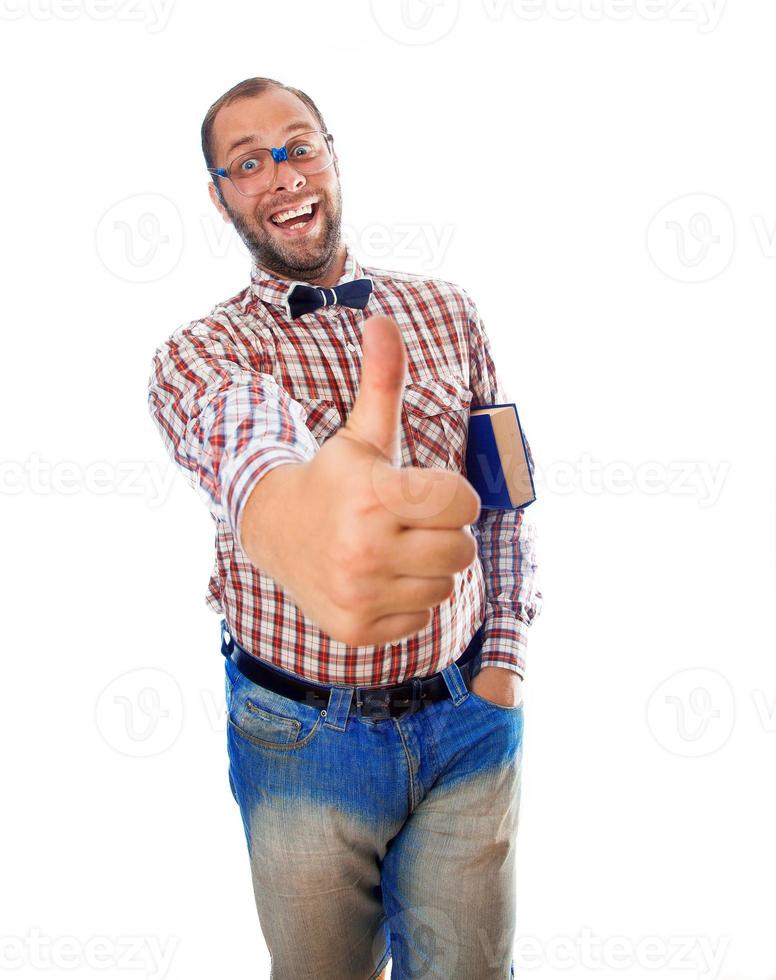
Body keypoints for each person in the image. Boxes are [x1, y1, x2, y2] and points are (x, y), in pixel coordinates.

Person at [147, 75, 543, 980]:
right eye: (248, 163)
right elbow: (241, 438)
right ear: (221, 196)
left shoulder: (449, 312)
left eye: (297, 146)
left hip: (468, 730)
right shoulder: (201, 354)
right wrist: (290, 514)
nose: (280, 174)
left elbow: (507, 503)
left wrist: (504, 664)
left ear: (331, 157)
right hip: (298, 745)